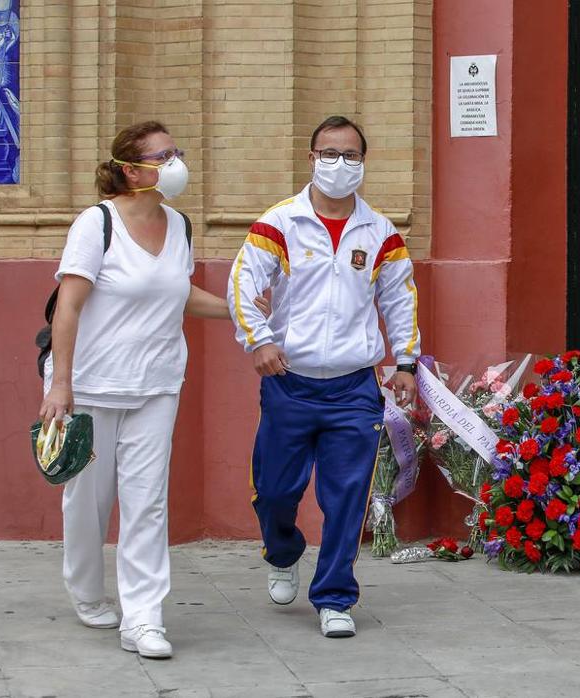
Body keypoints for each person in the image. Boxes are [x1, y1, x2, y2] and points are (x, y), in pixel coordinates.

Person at [37, 120, 266, 659]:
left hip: (158, 382)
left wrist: (244, 312)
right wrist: (61, 385)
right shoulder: (97, 225)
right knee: (87, 503)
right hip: (92, 384)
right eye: (162, 156)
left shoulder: (181, 225)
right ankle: (88, 592)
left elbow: (179, 294)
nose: (175, 164)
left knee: (147, 503)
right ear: (129, 169)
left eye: (176, 153)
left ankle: (143, 620)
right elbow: (68, 305)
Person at [227, 115, 420, 639]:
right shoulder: (280, 224)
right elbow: (243, 283)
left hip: (354, 386)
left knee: (347, 495)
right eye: (329, 154)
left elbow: (399, 299)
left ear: (364, 161)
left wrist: (405, 363)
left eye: (351, 155)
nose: (340, 164)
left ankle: (335, 597)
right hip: (290, 381)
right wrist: (259, 341)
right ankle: (283, 550)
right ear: (310, 158)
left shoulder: (380, 233)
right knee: (274, 490)